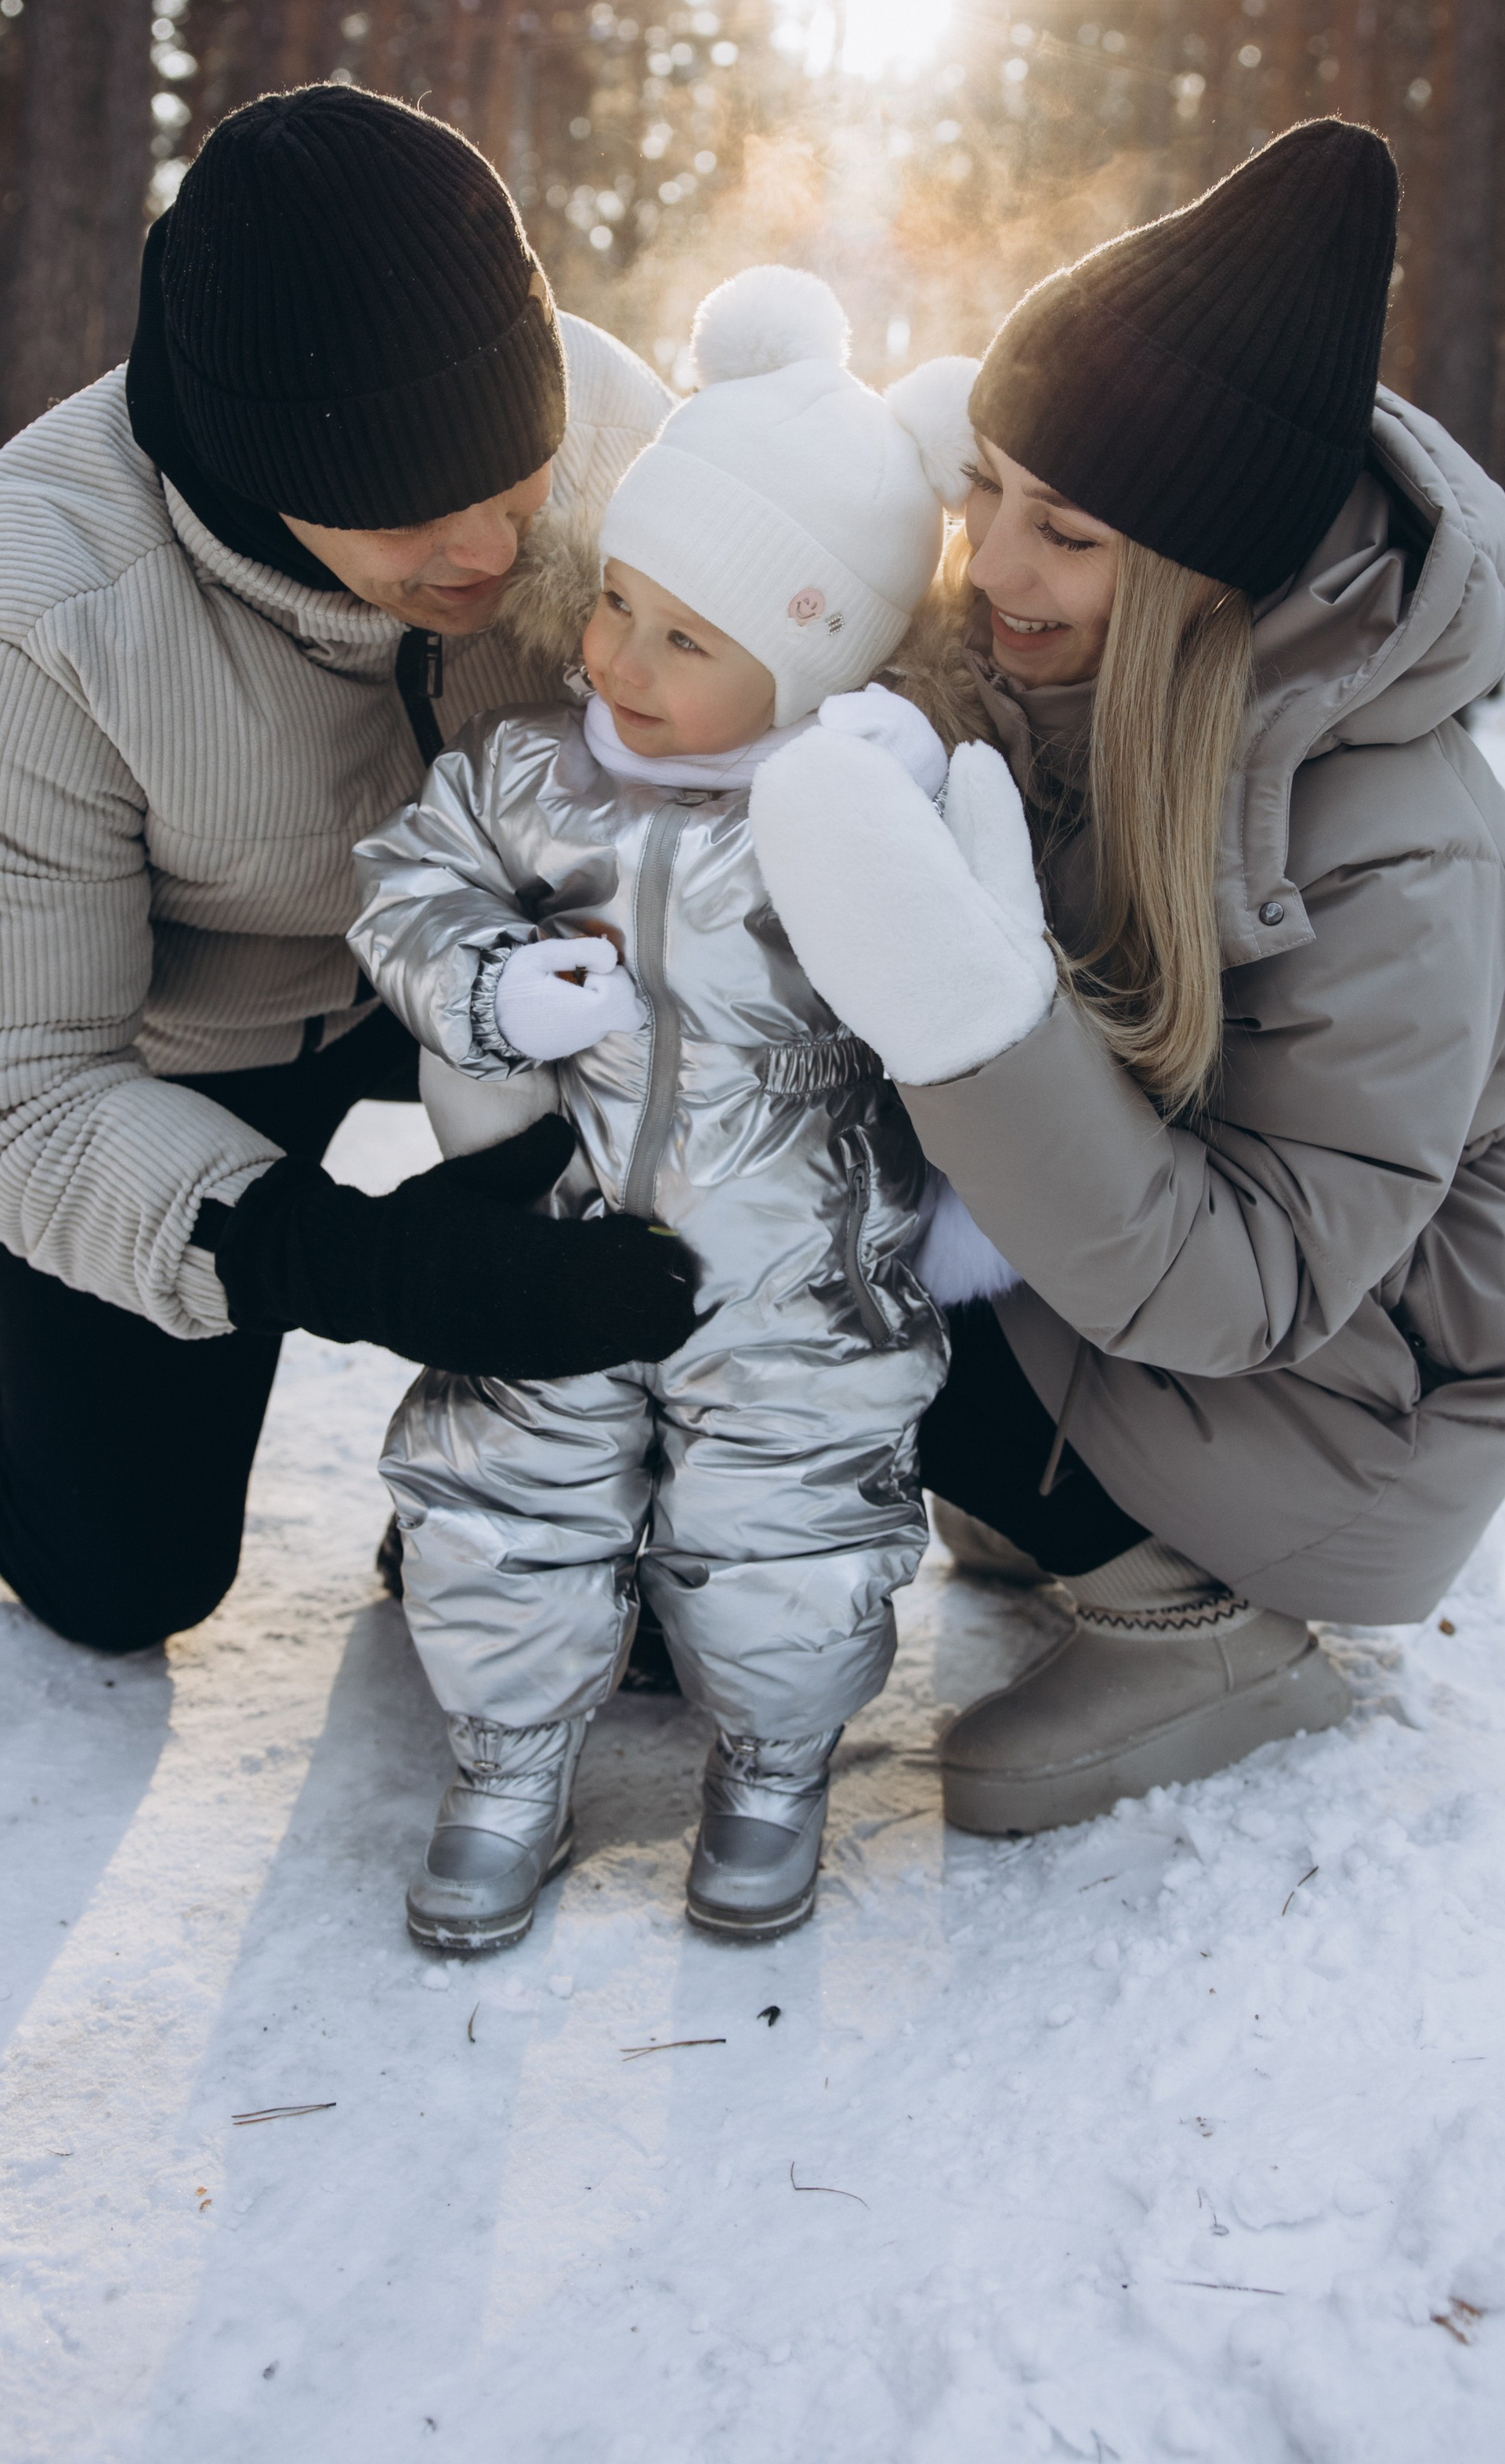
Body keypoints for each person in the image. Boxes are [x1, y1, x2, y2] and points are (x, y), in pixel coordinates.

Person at [0, 85, 700, 1655]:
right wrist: (350, 1259)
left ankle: (498, 1489)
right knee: (121, 1575)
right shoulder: (39, 610)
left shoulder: (615, 437)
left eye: (511, 474)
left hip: (500, 970)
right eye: (408, 509)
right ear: (258, 468)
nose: (483, 546)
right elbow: (8, 1091)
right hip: (190, 1047)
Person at [751, 118, 1505, 1835]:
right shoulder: (1080, 671)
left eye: (1065, 531)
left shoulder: (1398, 858)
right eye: (985, 491)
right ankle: (1041, 1477)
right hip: (1183, 1293)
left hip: (1352, 1387)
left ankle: (1202, 1616)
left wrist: (957, 1015)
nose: (992, 569)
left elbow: (1252, 1283)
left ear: (1209, 568)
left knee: (881, 1282)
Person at [349, 267, 980, 1951]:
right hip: (558, 1233)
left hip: (792, 1273)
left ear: (813, 648)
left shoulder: (854, 812)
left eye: (685, 636)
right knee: (506, 1481)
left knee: (784, 1514)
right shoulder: (528, 776)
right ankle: (503, 1759)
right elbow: (404, 888)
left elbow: (970, 998)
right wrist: (490, 981)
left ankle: (772, 1761)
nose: (612, 653)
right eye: (616, 599)